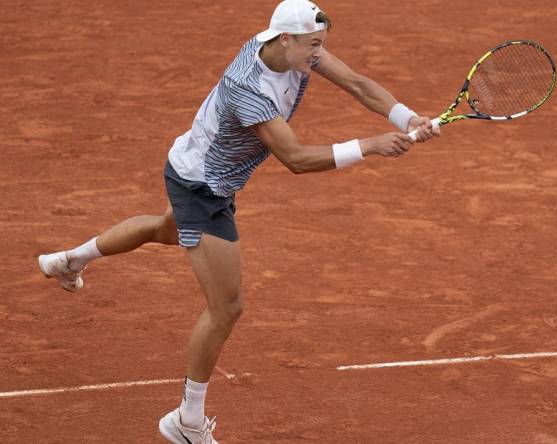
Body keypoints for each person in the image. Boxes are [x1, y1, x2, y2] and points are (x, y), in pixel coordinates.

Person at [36, 0, 438, 442]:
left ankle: (69, 260)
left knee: (162, 230)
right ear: (286, 38)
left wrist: (407, 117)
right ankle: (186, 421)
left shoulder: (290, 48)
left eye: (322, 44)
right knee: (227, 306)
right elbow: (297, 160)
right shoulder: (248, 86)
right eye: (313, 46)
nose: (319, 54)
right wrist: (372, 144)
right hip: (201, 187)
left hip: (196, 171)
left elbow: (358, 84)